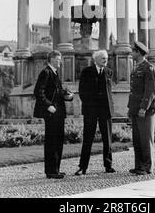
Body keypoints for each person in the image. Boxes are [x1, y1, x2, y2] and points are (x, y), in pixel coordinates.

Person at [33, 50, 73, 179]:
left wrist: (67, 95)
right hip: (51, 112)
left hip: (58, 112)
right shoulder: (46, 72)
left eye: (60, 59)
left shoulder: (54, 73)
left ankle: (56, 169)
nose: (60, 61)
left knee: (58, 140)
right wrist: (48, 105)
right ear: (51, 59)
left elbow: (56, 91)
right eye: (58, 59)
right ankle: (51, 171)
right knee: (52, 141)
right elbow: (38, 92)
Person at [75, 50, 115, 175]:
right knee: (88, 138)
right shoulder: (87, 72)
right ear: (95, 59)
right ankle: (83, 167)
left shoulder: (108, 72)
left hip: (105, 110)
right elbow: (82, 91)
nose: (105, 60)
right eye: (103, 58)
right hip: (91, 110)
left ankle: (108, 165)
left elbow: (109, 92)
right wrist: (89, 104)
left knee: (107, 139)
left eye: (106, 58)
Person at [127, 41, 155, 175]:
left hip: (144, 110)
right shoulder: (136, 67)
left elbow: (149, 91)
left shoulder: (148, 68)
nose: (131, 53)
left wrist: (144, 108)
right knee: (137, 139)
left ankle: (147, 166)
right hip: (135, 108)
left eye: (133, 51)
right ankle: (139, 165)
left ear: (138, 52)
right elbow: (134, 91)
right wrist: (131, 108)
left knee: (145, 139)